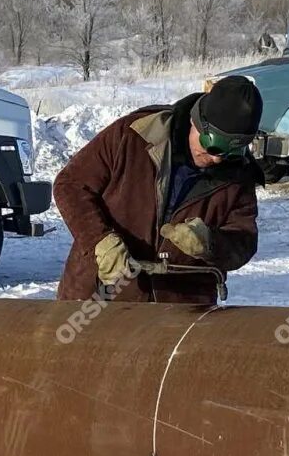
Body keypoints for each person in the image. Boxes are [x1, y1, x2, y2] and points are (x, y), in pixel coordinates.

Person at [54, 75, 264, 305]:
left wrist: (209, 243)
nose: (216, 158)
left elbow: (243, 241)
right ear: (195, 121)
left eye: (230, 152)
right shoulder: (133, 135)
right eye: (212, 144)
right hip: (99, 298)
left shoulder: (239, 176)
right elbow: (71, 184)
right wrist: (99, 241)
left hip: (180, 311)